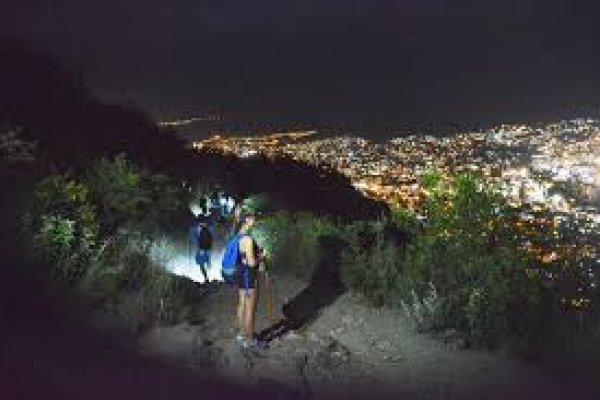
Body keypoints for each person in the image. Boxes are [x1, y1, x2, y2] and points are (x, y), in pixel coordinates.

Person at [234, 208, 263, 348]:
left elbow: (242, 256)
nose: (254, 220)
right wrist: (261, 258)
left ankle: (241, 334)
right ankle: (249, 339)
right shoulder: (248, 239)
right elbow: (251, 262)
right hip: (249, 275)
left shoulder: (237, 235)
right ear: (246, 220)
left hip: (240, 273)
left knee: (242, 304)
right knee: (250, 307)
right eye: (252, 217)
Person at [189, 215, 213, 283]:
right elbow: (195, 239)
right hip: (202, 248)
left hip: (204, 248)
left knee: (203, 263)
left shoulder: (207, 229)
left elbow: (210, 240)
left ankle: (207, 277)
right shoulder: (198, 229)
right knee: (202, 264)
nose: (203, 224)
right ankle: (207, 277)